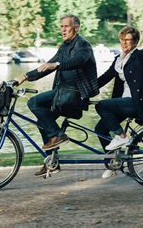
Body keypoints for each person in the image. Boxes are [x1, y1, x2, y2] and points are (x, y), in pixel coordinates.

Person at [14, 14, 99, 177]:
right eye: (61, 27)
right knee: (42, 122)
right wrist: (24, 77)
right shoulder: (64, 48)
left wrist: (58, 64)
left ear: (76, 27)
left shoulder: (83, 45)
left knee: (33, 102)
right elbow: (47, 67)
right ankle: (52, 162)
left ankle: (58, 135)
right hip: (63, 94)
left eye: (66, 26)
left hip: (75, 94)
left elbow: (78, 61)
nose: (63, 29)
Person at [95, 19, 143, 178]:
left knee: (102, 105)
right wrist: (84, 90)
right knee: (101, 129)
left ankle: (122, 136)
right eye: (122, 39)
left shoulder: (138, 56)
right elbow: (104, 78)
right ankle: (113, 164)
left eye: (128, 40)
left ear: (135, 42)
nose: (124, 43)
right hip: (123, 103)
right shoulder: (118, 59)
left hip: (136, 102)